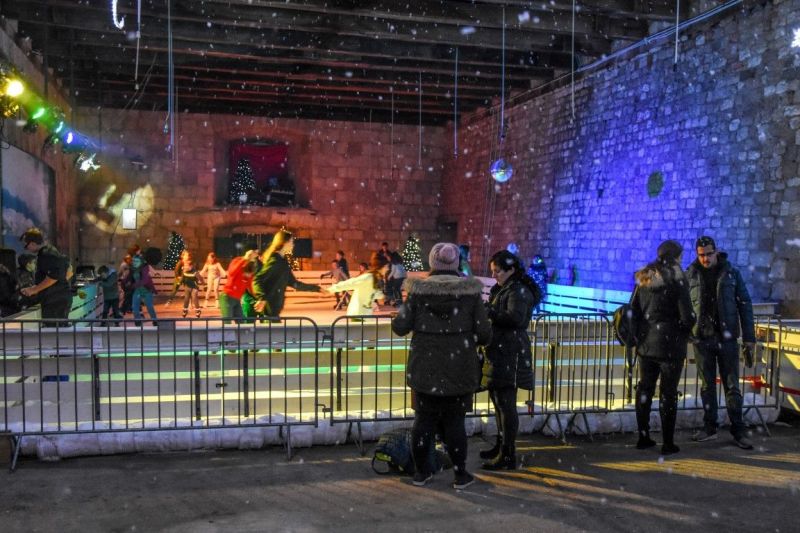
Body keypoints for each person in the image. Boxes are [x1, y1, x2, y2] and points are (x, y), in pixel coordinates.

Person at [391, 242, 492, 489]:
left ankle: (421, 472)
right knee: (455, 421)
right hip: (460, 366)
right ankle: (460, 474)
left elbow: (400, 327)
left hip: (425, 366)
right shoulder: (470, 293)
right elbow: (484, 333)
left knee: (423, 420)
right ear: (456, 263)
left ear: (432, 262)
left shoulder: (418, 292)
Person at [686, 236, 756, 450]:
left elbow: (745, 304)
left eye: (709, 254)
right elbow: (685, 307)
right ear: (697, 254)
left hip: (727, 338)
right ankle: (710, 427)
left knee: (732, 386)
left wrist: (749, 337)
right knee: (707, 386)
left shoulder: (731, 273)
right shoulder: (691, 274)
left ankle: (738, 430)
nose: (705, 259)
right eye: (702, 255)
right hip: (702, 339)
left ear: (716, 252)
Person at [630, 240, 695, 455]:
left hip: (646, 345)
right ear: (676, 257)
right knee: (668, 393)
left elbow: (634, 310)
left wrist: (641, 335)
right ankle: (668, 443)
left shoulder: (644, 278)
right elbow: (687, 316)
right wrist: (684, 330)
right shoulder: (677, 279)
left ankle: (643, 436)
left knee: (645, 389)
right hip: (670, 346)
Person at [480, 249, 541, 470]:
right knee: (498, 401)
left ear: (511, 270)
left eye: (497, 271)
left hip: (510, 351)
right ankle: (501, 446)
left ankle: (507, 453)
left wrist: (490, 312)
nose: (494, 275)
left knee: (506, 404)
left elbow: (516, 319)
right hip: (501, 350)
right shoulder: (506, 288)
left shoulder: (518, 291)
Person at [252, 230, 321, 318]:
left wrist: (317, 289)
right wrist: (261, 298)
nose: (293, 245)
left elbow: (295, 284)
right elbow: (257, 279)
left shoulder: (283, 261)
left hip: (274, 311)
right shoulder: (275, 261)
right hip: (269, 312)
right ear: (284, 243)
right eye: (291, 242)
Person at [19, 228, 72, 324]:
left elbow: (54, 276)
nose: (26, 249)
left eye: (26, 246)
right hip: (58, 299)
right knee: (57, 329)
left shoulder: (46, 254)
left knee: (53, 330)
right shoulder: (51, 251)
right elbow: (68, 271)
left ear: (32, 243)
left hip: (54, 302)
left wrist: (34, 290)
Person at [219, 249, 258, 321]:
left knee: (241, 323)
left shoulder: (251, 267)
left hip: (237, 299)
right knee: (227, 322)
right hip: (227, 297)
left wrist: (258, 299)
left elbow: (250, 286)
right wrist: (244, 259)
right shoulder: (237, 261)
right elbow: (231, 273)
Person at [131, 254, 158, 326]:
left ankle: (154, 320)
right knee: (134, 308)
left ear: (141, 262)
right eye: (134, 261)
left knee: (149, 307)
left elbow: (145, 280)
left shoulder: (145, 268)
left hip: (146, 290)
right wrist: (124, 283)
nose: (134, 263)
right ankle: (138, 322)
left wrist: (133, 285)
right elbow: (129, 279)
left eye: (137, 261)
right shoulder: (132, 269)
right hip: (137, 291)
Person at [179, 253, 203, 318]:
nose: (186, 267)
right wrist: (179, 282)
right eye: (185, 265)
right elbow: (182, 277)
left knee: (194, 298)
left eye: (188, 266)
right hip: (187, 287)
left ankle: (198, 311)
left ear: (191, 266)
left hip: (194, 287)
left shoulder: (194, 272)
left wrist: (204, 284)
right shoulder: (184, 271)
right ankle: (185, 310)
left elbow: (200, 278)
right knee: (186, 298)